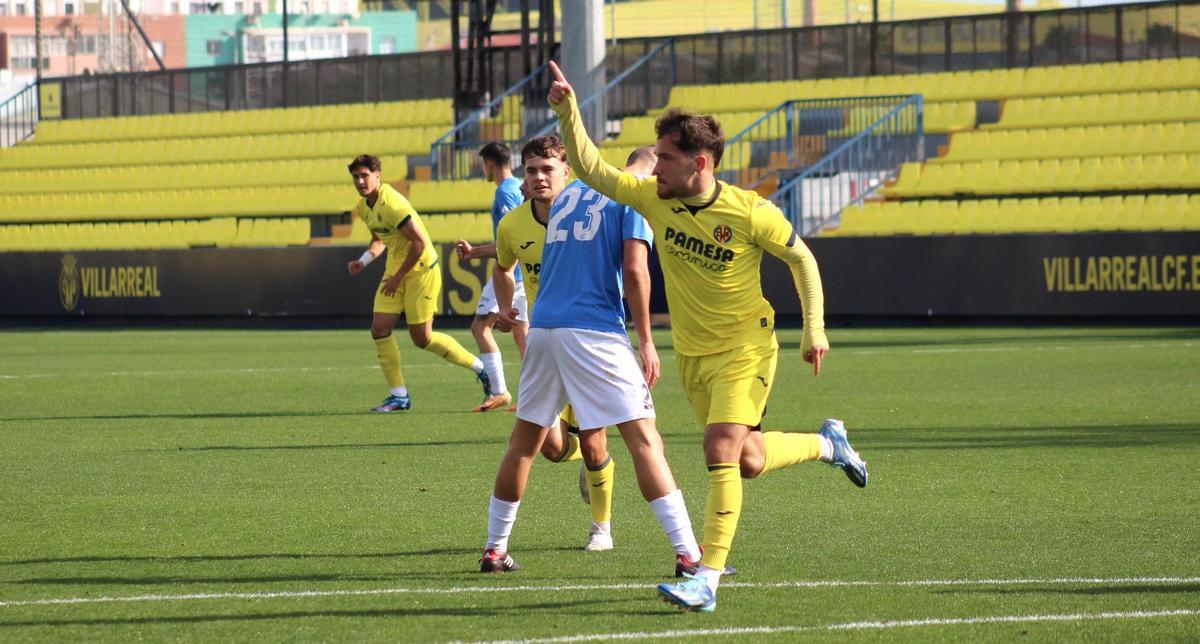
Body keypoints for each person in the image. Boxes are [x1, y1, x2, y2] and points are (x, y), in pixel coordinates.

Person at [546, 61, 869, 612]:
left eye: (665, 157)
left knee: (719, 447)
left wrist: (814, 328)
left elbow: (803, 260)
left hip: (747, 346)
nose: (655, 167)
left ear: (698, 162)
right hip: (694, 355)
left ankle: (707, 577)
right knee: (746, 458)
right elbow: (594, 170)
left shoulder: (748, 211)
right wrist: (568, 111)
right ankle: (826, 444)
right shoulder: (654, 199)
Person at [480, 135, 704, 573]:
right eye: (659, 169)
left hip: (544, 328)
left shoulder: (568, 197)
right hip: (595, 331)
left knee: (523, 445)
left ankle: (495, 548)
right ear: (646, 168)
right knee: (644, 440)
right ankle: (689, 555)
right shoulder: (634, 199)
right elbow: (637, 272)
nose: (662, 178)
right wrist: (646, 341)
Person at [345, 154, 492, 412]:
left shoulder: (392, 203)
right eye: (356, 176)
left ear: (378, 176)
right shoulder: (364, 207)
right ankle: (399, 396)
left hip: (421, 271)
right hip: (395, 273)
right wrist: (363, 262)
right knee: (379, 329)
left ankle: (480, 368)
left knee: (421, 338)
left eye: (365, 175)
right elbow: (379, 240)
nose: (360, 181)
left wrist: (399, 277)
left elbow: (419, 243)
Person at [458, 143, 526, 412]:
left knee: (480, 327)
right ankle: (535, 395)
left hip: (510, 272)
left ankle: (499, 390)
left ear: (489, 164)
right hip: (525, 272)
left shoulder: (504, 193)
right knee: (522, 334)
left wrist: (474, 252)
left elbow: (509, 240)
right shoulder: (519, 185)